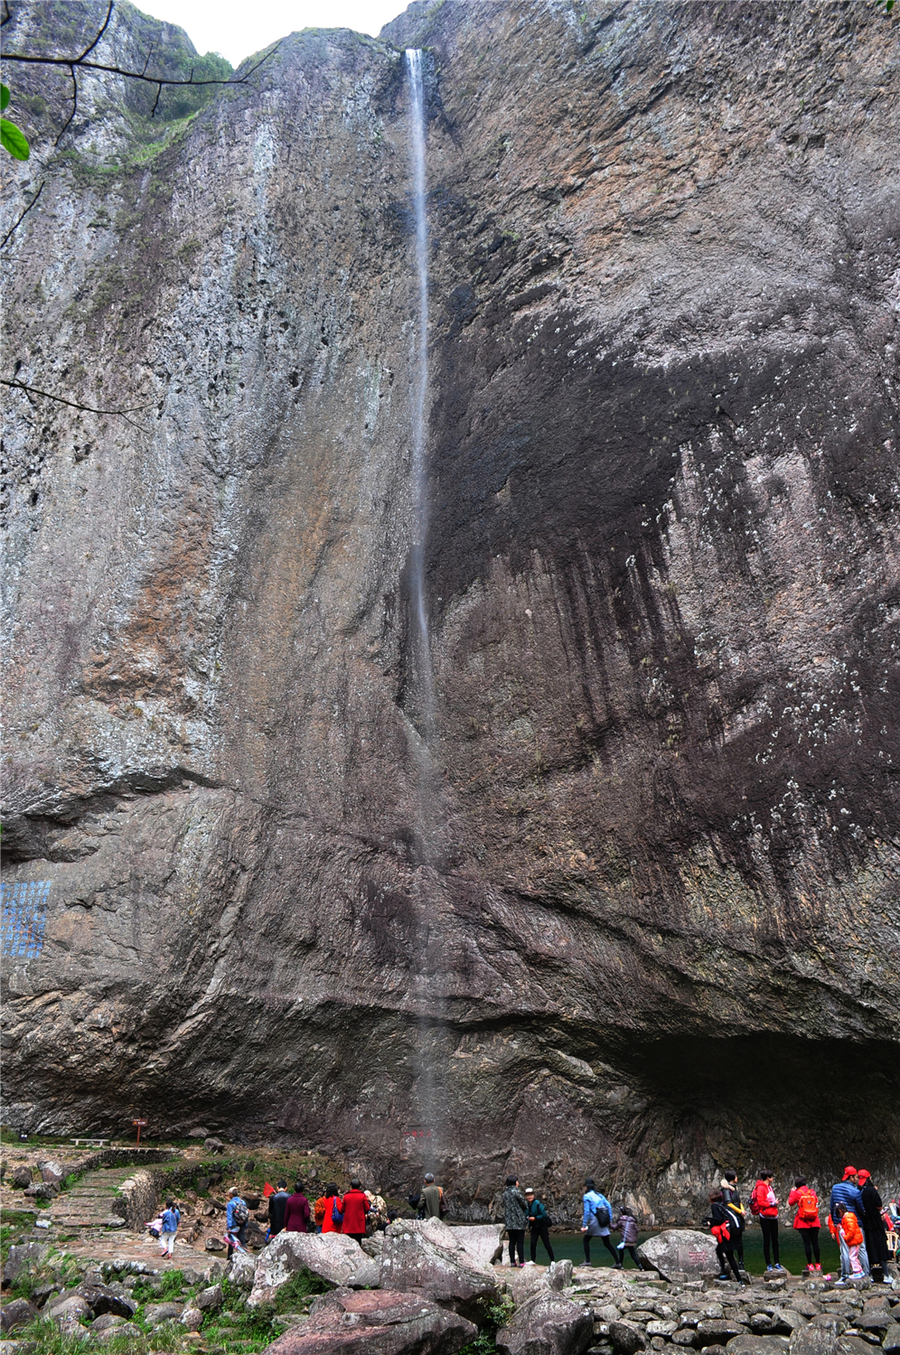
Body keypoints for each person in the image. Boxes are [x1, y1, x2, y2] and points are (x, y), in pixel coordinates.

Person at [830, 1166, 869, 1281]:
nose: (857, 1179)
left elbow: (832, 1207)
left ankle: (845, 1275)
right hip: (855, 1223)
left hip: (841, 1224)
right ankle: (866, 1273)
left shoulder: (835, 1188)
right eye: (856, 1177)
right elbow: (861, 1209)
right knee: (861, 1248)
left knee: (844, 1250)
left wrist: (835, 1222)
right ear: (851, 1177)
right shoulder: (855, 1191)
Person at [859, 1171, 893, 1286]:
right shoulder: (872, 1190)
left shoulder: (859, 1191)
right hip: (876, 1223)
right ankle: (886, 1275)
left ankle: (870, 1275)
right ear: (869, 1178)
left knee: (869, 1247)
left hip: (866, 1224)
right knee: (881, 1247)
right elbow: (879, 1205)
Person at [706, 1191, 744, 1282]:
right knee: (719, 1251)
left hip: (724, 1233)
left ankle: (739, 1279)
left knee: (729, 1255)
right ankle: (724, 1272)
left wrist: (710, 1224)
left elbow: (718, 1219)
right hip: (730, 1231)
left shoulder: (714, 1206)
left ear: (712, 1199)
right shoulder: (723, 1204)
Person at [787, 1176, 821, 1272]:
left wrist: (792, 1192)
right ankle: (818, 1264)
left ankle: (810, 1264)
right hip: (814, 1221)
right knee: (815, 1243)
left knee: (807, 1244)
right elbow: (816, 1203)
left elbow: (790, 1203)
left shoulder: (797, 1193)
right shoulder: (812, 1192)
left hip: (803, 1222)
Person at [581, 1177, 617, 1267]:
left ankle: (588, 1261)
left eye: (584, 1186)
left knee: (586, 1240)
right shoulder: (599, 1195)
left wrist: (584, 1224)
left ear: (587, 1187)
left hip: (595, 1220)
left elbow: (586, 1211)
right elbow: (608, 1206)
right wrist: (610, 1220)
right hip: (603, 1220)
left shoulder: (587, 1196)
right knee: (607, 1243)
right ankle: (618, 1262)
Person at [751, 1171, 782, 1272]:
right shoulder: (761, 1187)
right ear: (768, 1178)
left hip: (773, 1216)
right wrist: (773, 1204)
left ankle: (777, 1262)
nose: (773, 1178)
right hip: (765, 1217)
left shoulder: (769, 1187)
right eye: (772, 1177)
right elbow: (760, 1202)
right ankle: (768, 1263)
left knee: (775, 1240)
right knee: (767, 1240)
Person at [721, 1171, 746, 1270]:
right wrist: (740, 1211)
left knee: (740, 1241)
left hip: (738, 1216)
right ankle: (732, 1263)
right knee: (731, 1239)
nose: (737, 1177)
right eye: (736, 1176)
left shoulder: (735, 1188)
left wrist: (742, 1210)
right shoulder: (726, 1190)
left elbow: (739, 1202)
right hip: (731, 1217)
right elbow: (729, 1203)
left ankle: (741, 1262)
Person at [502, 1175, 528, 1267]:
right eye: (517, 1181)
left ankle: (512, 1262)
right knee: (520, 1241)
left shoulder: (505, 1193)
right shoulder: (516, 1191)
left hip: (509, 1221)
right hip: (518, 1220)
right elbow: (524, 1203)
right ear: (514, 1182)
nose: (518, 1183)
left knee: (512, 1241)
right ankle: (521, 1262)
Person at [524, 1188, 555, 1263]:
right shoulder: (527, 1205)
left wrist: (535, 1218)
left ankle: (552, 1260)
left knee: (546, 1243)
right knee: (533, 1243)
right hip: (534, 1226)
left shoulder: (538, 1204)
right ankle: (532, 1260)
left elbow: (544, 1215)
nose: (529, 1197)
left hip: (542, 1225)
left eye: (531, 1195)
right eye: (528, 1195)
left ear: (533, 1195)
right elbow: (526, 1213)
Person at [838, 1202, 866, 1278]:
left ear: (840, 1211)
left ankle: (856, 1272)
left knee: (852, 1257)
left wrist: (846, 1237)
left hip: (854, 1241)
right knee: (854, 1256)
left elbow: (851, 1231)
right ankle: (860, 1271)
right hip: (855, 1240)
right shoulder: (850, 1217)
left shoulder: (848, 1218)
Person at [339, 1177, 370, 1242]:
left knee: (348, 1243)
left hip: (348, 1224)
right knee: (358, 1241)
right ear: (359, 1187)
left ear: (351, 1186)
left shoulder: (346, 1196)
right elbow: (367, 1208)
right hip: (359, 1224)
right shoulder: (362, 1196)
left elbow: (341, 1209)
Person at [613, 1204, 643, 1270]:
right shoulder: (632, 1221)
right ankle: (640, 1266)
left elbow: (615, 1227)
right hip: (632, 1241)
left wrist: (609, 1223)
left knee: (621, 1250)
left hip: (625, 1241)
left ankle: (620, 1264)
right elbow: (637, 1230)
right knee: (633, 1254)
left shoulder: (622, 1220)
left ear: (622, 1213)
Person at [225, 1186, 249, 1258]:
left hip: (234, 1225)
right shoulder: (243, 1202)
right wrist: (245, 1224)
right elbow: (246, 1213)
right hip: (242, 1223)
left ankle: (230, 1257)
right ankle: (246, 1255)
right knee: (242, 1239)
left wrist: (229, 1227)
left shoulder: (230, 1203)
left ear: (231, 1194)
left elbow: (229, 1216)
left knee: (232, 1241)